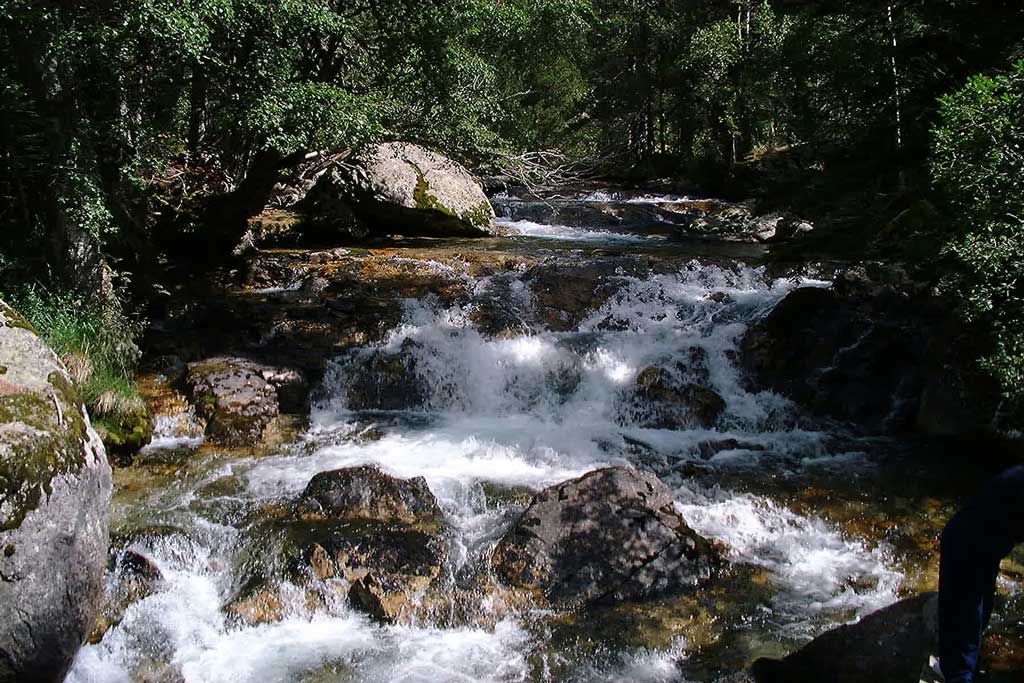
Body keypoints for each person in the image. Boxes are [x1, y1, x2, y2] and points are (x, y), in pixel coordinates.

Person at [938, 464, 1024, 682]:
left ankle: (960, 670)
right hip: (966, 545)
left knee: (979, 618)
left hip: (987, 544)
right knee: (965, 629)